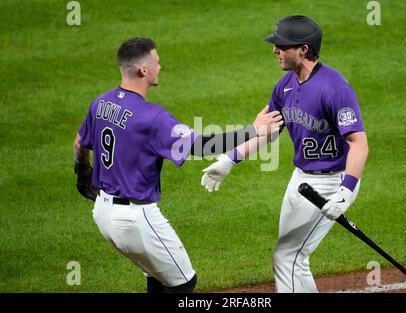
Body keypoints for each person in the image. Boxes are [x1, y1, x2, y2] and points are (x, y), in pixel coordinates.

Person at [72, 37, 283, 293]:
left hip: (103, 215)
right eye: (157, 62)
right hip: (135, 218)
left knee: (158, 276)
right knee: (184, 282)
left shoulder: (101, 103)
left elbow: (79, 145)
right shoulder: (152, 117)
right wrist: (253, 130)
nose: (160, 67)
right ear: (143, 70)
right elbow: (201, 147)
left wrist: (83, 175)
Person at [201, 15, 369, 293]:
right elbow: (268, 130)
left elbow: (358, 143)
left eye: (281, 45)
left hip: (331, 183)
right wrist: (229, 160)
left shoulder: (335, 89)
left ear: (302, 50)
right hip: (300, 179)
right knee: (290, 256)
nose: (275, 49)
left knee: (288, 256)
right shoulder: (285, 86)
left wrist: (345, 192)